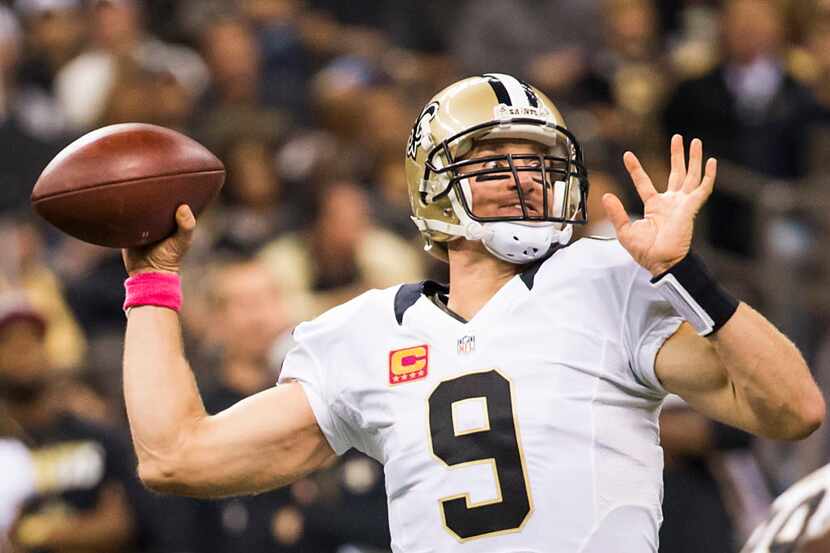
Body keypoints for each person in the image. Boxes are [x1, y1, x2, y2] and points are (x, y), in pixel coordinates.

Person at [120, 74, 824, 552]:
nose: (523, 178)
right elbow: (176, 456)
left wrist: (684, 275)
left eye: (538, 159)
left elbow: (792, 408)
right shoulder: (362, 334)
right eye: (495, 160)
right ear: (433, 183)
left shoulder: (605, 280)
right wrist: (152, 283)